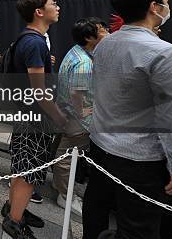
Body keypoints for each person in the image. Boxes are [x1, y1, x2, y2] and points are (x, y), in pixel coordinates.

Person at [84, 0, 172, 239]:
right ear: (154, 7)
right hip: (140, 159)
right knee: (137, 228)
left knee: (96, 209)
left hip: (101, 146)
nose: (167, 9)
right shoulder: (165, 53)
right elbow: (171, 117)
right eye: (166, 4)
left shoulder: (105, 44)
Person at [2, 0, 68, 239]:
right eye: (54, 3)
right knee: (29, 171)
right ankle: (14, 221)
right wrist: (60, 117)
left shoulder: (28, 39)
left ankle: (14, 209)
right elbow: (40, 93)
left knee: (22, 166)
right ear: (39, 12)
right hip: (35, 118)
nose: (58, 6)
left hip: (25, 114)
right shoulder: (35, 42)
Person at [52, 17, 108, 217]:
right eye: (102, 29)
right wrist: (87, 117)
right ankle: (65, 197)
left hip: (67, 113)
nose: (107, 32)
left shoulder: (77, 51)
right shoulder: (84, 63)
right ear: (89, 37)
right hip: (77, 119)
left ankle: (63, 190)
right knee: (66, 158)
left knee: (65, 155)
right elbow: (79, 97)